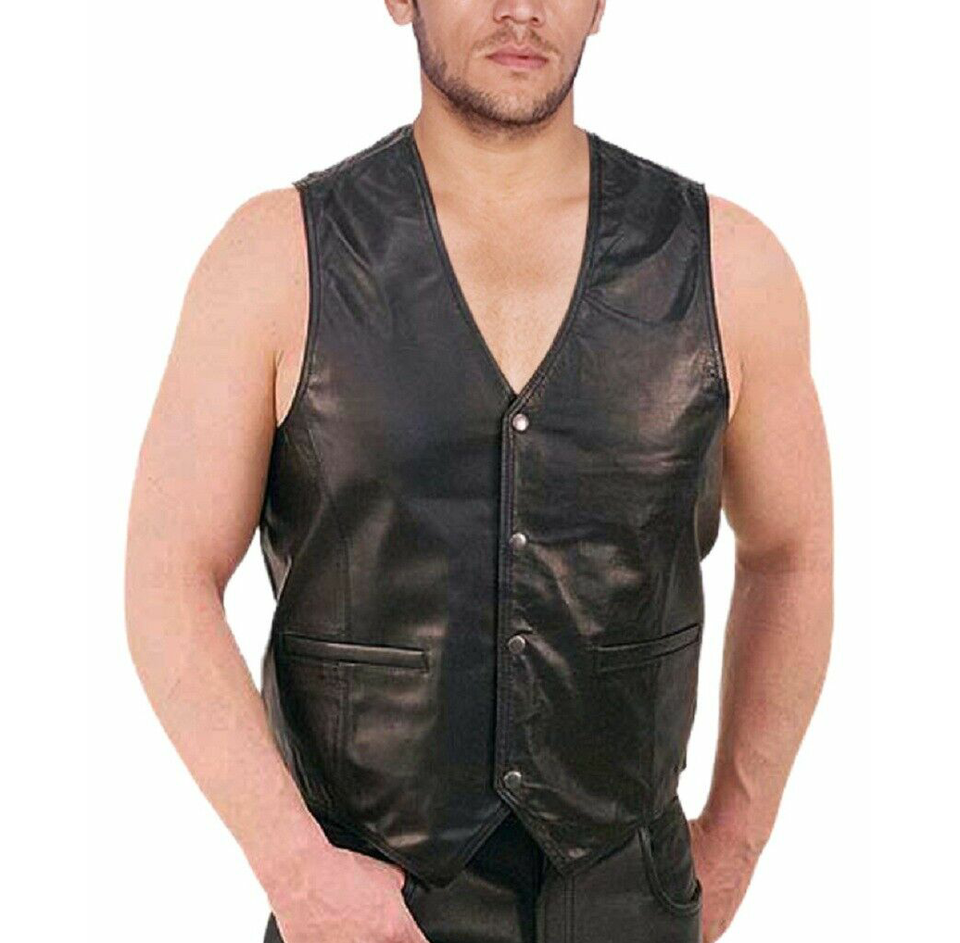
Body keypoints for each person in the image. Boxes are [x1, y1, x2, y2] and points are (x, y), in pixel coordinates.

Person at [124, 2, 833, 941]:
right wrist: (296, 869)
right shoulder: (273, 260)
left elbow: (791, 553)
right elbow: (167, 576)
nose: (520, 9)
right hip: (366, 909)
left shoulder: (731, 265)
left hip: (631, 897)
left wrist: (735, 841)